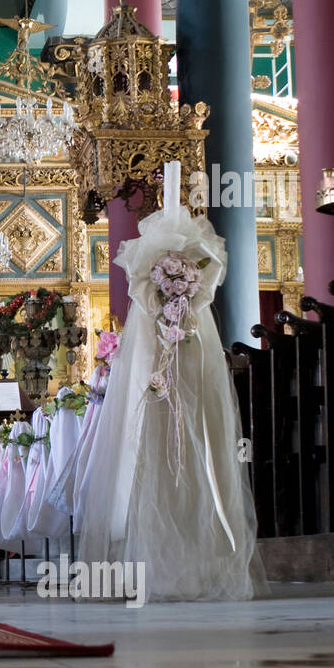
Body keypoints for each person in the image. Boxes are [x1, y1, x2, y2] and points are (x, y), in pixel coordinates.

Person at [77, 162, 268, 602]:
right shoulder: (146, 253)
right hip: (153, 351)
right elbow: (142, 291)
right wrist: (165, 301)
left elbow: (207, 280)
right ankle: (150, 563)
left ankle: (202, 559)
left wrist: (184, 297)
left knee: (203, 436)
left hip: (193, 348)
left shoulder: (199, 247)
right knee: (147, 441)